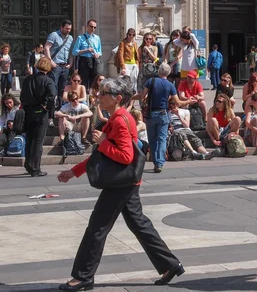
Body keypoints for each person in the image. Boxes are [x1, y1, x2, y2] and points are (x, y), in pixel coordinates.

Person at [56, 77, 184, 291]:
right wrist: (73, 171)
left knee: (97, 227)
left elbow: (124, 156)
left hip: (121, 183)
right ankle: (170, 265)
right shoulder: (117, 117)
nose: (99, 96)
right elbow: (102, 157)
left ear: (117, 98)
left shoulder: (119, 120)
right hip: (128, 180)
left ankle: (83, 276)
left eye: (104, 93)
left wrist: (103, 142)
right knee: (139, 224)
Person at [136, 63, 186, 173]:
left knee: (152, 139)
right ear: (168, 73)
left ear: (159, 71)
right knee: (162, 139)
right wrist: (189, 101)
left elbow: (142, 96)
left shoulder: (151, 81)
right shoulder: (170, 85)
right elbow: (178, 102)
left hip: (150, 114)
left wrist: (131, 97)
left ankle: (156, 162)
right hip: (163, 114)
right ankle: (160, 163)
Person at [20, 57, 56, 177]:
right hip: (41, 112)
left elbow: (22, 96)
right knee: (38, 141)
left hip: (29, 111)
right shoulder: (48, 80)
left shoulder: (28, 79)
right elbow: (52, 95)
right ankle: (35, 168)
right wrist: (47, 106)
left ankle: (29, 164)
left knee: (30, 139)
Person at [44, 19, 74, 116]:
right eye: (66, 28)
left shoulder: (70, 38)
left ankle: (61, 110)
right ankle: (51, 114)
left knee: (63, 89)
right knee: (53, 89)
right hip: (55, 66)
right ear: (61, 27)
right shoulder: (54, 35)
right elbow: (46, 47)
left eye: (70, 29)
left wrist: (71, 63)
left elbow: (70, 52)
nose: (68, 30)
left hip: (65, 67)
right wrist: (50, 61)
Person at [72, 19, 102, 91]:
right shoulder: (80, 38)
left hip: (94, 61)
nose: (93, 29)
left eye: (95, 27)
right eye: (91, 26)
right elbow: (74, 52)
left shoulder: (97, 38)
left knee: (95, 81)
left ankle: (93, 99)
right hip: (84, 61)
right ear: (87, 26)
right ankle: (84, 98)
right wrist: (86, 50)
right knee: (84, 81)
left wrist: (97, 54)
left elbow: (100, 51)